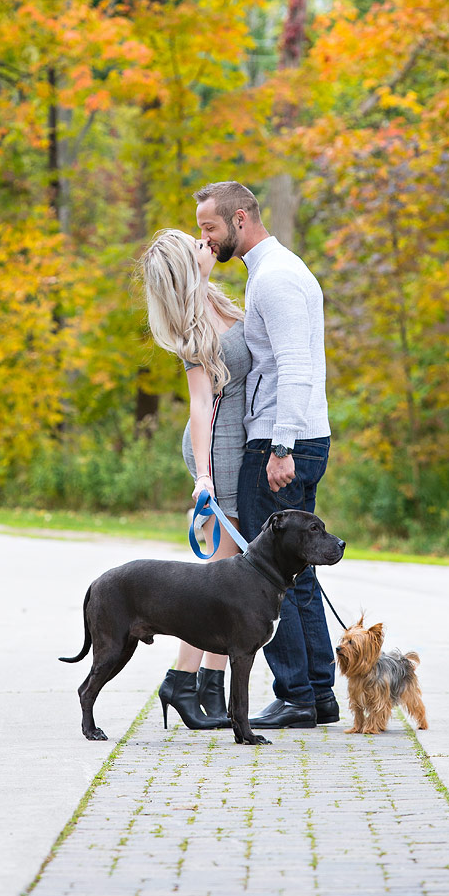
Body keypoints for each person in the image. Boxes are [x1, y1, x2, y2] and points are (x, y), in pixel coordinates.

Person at [194, 180, 339, 730]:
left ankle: (297, 693)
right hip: (299, 435)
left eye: (210, 227)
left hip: (282, 441)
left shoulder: (276, 280)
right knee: (298, 570)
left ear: (239, 218)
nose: (205, 239)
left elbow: (296, 369)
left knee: (268, 576)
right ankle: (317, 695)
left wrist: (280, 447)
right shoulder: (276, 270)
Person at [140, 228, 251, 730]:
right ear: (184, 266)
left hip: (234, 438)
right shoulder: (191, 326)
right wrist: (204, 477)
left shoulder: (214, 300)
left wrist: (203, 280)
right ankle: (182, 681)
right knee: (223, 579)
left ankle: (209, 687)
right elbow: (201, 403)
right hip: (217, 444)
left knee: (230, 577)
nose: (207, 245)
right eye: (196, 246)